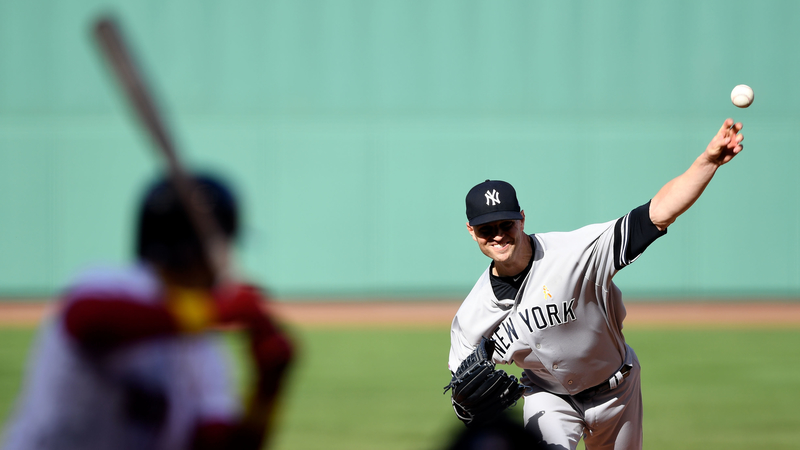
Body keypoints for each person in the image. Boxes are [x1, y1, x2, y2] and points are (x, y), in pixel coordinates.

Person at [447, 119, 744, 450]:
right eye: (487, 229)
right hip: (548, 397)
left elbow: (658, 213)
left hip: (617, 391)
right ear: (471, 231)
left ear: (522, 219)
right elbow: (463, 393)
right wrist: (468, 406)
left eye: (506, 224)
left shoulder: (575, 253)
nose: (499, 235)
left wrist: (707, 161)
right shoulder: (472, 315)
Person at [1, 173, 294, 450]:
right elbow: (87, 318)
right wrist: (212, 312)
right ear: (192, 251)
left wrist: (267, 389)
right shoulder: (116, 285)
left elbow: (212, 444)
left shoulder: (203, 350)